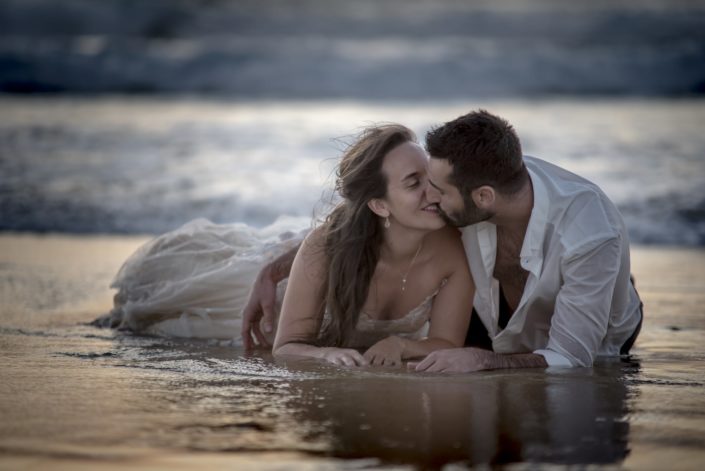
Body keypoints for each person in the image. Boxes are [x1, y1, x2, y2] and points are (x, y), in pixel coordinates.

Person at [243, 110, 643, 372]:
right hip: (498, 328)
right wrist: (277, 266)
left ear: (483, 198)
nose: (432, 196)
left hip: (593, 338)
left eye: (435, 187)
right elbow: (352, 229)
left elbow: (571, 358)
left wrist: (482, 359)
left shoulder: (589, 235)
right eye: (419, 183)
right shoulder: (469, 190)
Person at [97, 124, 474, 367]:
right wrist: (323, 353)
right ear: (379, 205)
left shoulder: (454, 248)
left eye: (430, 176)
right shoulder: (328, 248)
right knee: (151, 315)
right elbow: (286, 346)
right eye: (413, 183)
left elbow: (447, 341)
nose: (433, 192)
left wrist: (400, 345)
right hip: (272, 307)